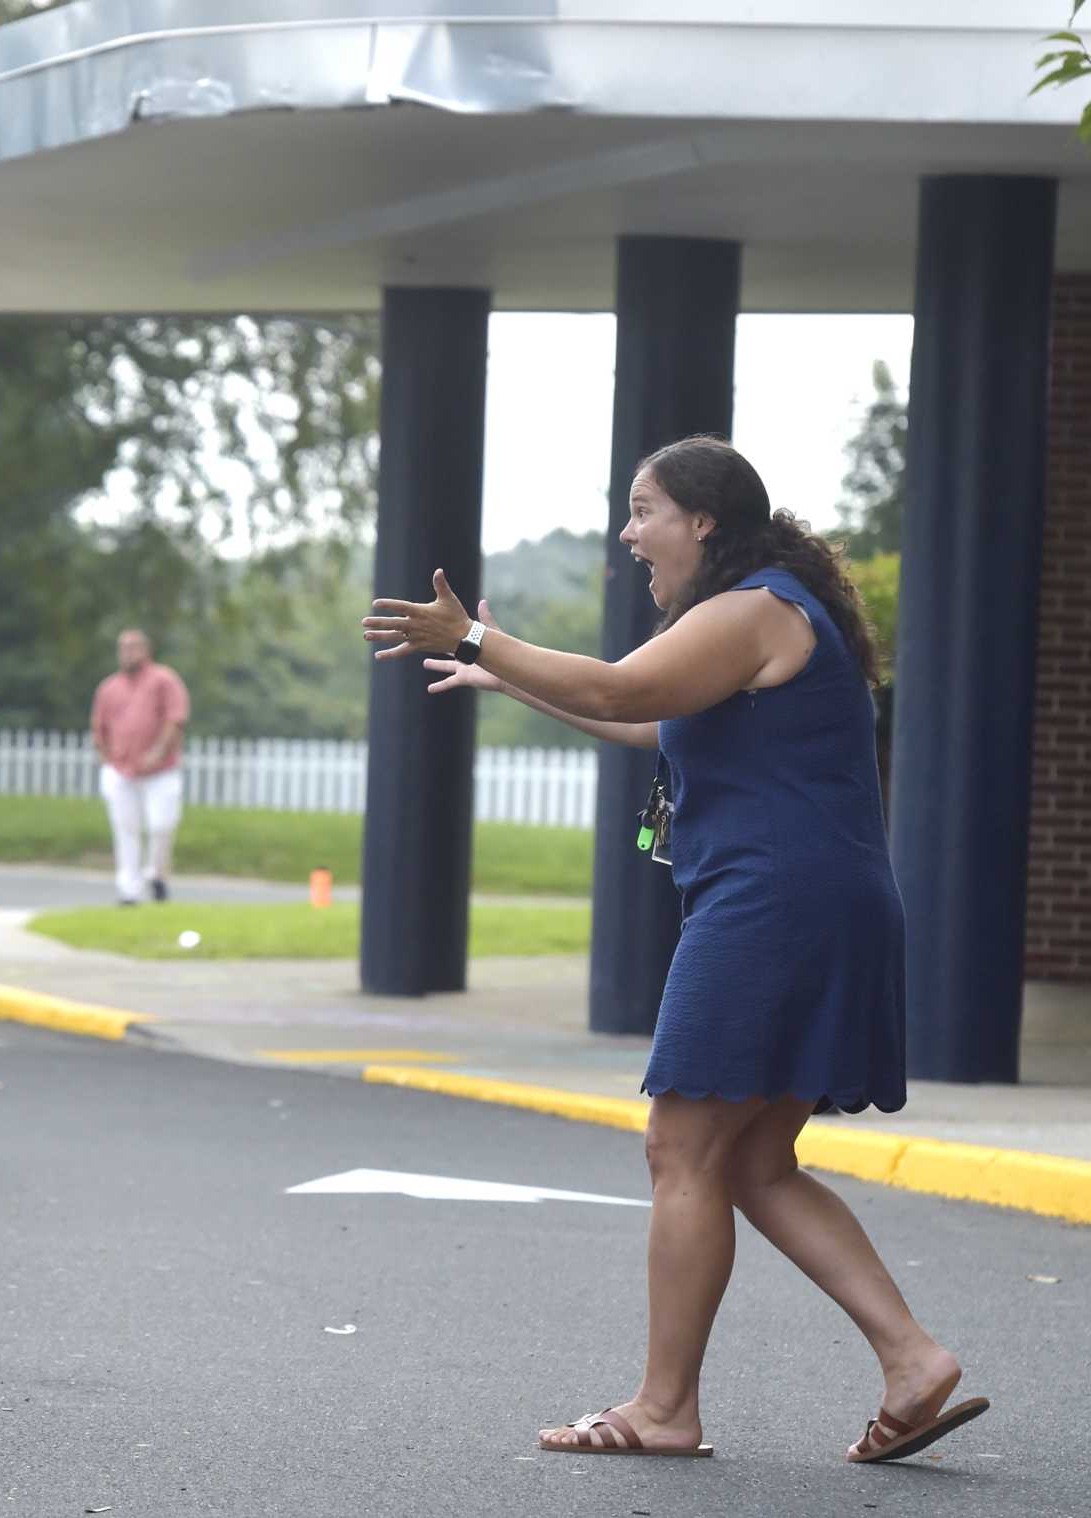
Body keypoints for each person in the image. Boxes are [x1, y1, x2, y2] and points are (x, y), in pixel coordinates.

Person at [361, 436, 987, 1464]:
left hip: (771, 905)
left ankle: (663, 1408)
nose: (626, 533)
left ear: (702, 521)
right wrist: (511, 679)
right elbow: (652, 721)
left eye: (642, 509)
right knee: (750, 1159)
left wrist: (476, 639)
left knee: (680, 1148)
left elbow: (618, 690)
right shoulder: (760, 613)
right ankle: (910, 1359)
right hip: (812, 900)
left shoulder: (750, 610)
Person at [90, 629, 190, 906]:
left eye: (133, 647)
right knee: (125, 829)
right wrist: (105, 754)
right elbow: (99, 726)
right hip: (121, 770)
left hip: (161, 770)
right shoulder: (109, 687)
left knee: (161, 824)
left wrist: (158, 751)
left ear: (146, 649)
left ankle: (157, 874)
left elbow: (176, 718)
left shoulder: (164, 680)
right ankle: (129, 891)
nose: (127, 653)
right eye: (123, 647)